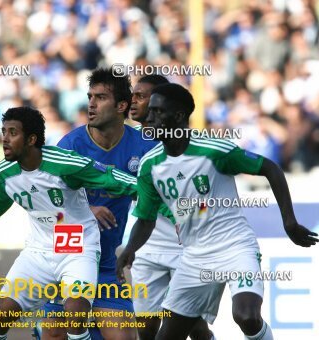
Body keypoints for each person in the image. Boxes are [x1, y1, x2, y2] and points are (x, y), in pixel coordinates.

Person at [117, 83, 319, 340]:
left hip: (234, 247)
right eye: (150, 112)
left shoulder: (214, 150)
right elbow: (145, 220)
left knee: (246, 316)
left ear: (178, 116)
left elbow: (270, 168)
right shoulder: (150, 166)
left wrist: (289, 222)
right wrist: (131, 249)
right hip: (193, 258)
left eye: (157, 112)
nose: (149, 117)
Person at [0, 106, 138, 340]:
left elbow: (111, 176)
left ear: (31, 139)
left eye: (12, 133)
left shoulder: (64, 163)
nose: (5, 138)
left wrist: (151, 191)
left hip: (78, 249)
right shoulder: (4, 174)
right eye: (4, 131)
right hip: (38, 251)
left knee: (75, 319)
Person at [40, 68, 155, 340]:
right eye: (90, 96)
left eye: (100, 98)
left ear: (121, 106)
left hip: (106, 263)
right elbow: (43, 202)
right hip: (66, 258)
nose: (91, 104)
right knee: (56, 334)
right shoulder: (71, 145)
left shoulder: (142, 147)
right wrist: (85, 209)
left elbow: (156, 194)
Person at [127, 75, 214, 340]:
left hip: (186, 246)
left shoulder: (181, 144)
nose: (135, 102)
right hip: (149, 246)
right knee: (146, 327)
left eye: (143, 97)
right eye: (135, 95)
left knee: (193, 325)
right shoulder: (127, 139)